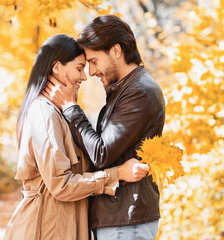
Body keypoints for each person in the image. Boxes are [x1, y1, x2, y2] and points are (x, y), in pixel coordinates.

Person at [3, 34, 149, 240]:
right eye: (79, 68)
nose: (84, 76)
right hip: (45, 229)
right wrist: (117, 174)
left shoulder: (59, 112)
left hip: (63, 226)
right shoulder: (44, 113)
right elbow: (62, 185)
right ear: (57, 68)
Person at [43, 15, 166, 239]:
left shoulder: (139, 92)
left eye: (93, 61)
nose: (90, 72)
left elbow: (101, 153)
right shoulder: (126, 90)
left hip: (125, 219)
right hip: (120, 218)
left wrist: (71, 108)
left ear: (116, 51)